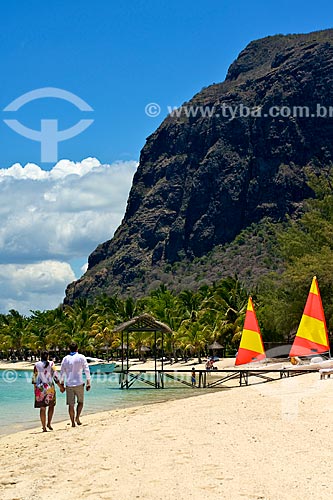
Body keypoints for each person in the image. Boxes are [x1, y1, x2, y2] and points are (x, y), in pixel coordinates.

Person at [60, 342, 91, 427]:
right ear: (77, 349)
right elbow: (86, 369)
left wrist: (61, 383)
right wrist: (88, 382)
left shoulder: (65, 359)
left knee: (71, 404)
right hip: (79, 383)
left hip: (69, 384)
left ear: (69, 349)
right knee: (80, 402)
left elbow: (62, 371)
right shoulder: (81, 357)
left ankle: (73, 422)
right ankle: (77, 417)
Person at [32, 351, 64, 432]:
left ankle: (44, 427)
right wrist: (61, 387)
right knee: (51, 406)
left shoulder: (36, 365)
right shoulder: (51, 364)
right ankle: (49, 423)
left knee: (42, 408)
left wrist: (35, 389)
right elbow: (56, 377)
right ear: (48, 356)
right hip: (50, 388)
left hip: (40, 389)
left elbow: (34, 379)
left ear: (40, 356)